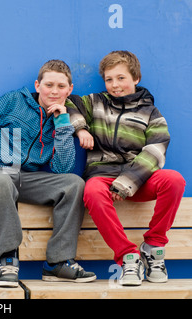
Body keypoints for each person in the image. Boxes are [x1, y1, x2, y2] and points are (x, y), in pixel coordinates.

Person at [0, 60, 96, 287]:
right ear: (38, 85)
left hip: (27, 177)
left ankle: (58, 263)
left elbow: (62, 169)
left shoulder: (63, 118)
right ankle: (7, 259)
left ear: (70, 90)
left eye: (60, 86)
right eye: (48, 85)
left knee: (74, 183)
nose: (54, 91)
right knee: (1, 180)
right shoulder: (14, 100)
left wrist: (62, 123)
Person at [67, 50, 186, 286]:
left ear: (136, 78)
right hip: (103, 175)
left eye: (121, 78)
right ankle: (128, 257)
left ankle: (153, 247)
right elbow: (69, 103)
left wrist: (127, 182)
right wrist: (80, 128)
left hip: (138, 179)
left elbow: (156, 150)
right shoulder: (96, 102)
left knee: (174, 180)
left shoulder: (151, 113)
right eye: (109, 79)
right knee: (90, 191)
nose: (115, 85)